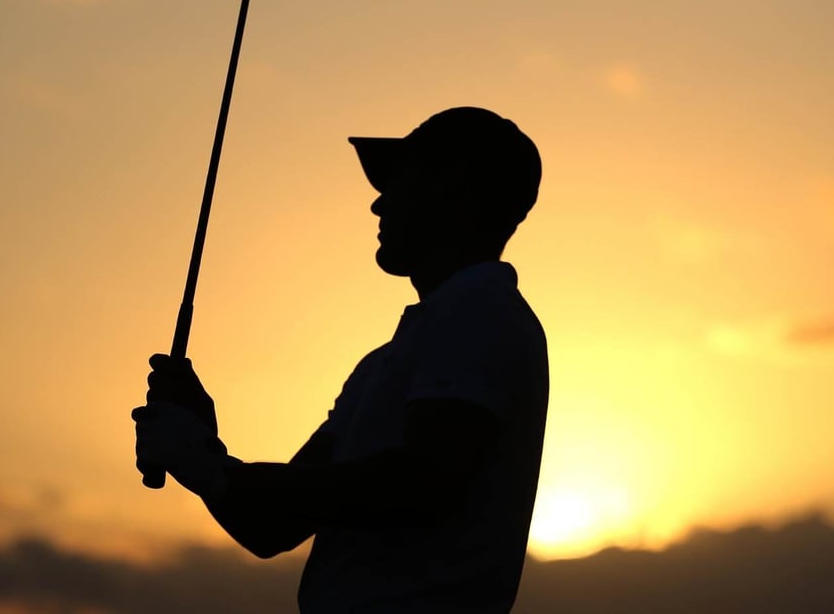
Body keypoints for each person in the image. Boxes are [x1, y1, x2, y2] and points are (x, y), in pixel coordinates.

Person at [133, 106, 549, 613]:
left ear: (453, 189)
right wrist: (206, 450)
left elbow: (424, 481)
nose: (378, 204)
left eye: (398, 181)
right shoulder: (387, 362)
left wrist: (212, 467)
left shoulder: (480, 309)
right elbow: (271, 527)